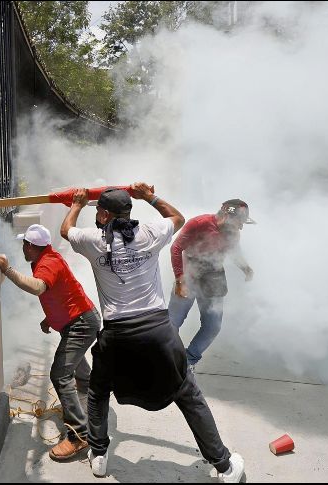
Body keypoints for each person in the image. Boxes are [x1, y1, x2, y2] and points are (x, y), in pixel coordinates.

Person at [61, 184, 244, 482]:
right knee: (188, 394)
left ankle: (99, 455)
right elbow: (177, 217)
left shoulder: (92, 240)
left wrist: (78, 204)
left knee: (97, 392)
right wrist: (149, 196)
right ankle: (224, 467)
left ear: (104, 214)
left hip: (117, 335)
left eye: (97, 211)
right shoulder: (149, 233)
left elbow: (66, 229)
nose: (96, 215)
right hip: (158, 330)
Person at [0, 224, 101, 461]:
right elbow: (59, 293)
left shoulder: (48, 262)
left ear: (31, 246)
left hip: (80, 324)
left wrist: (7, 269)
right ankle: (91, 400)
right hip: (77, 322)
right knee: (76, 366)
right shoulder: (47, 258)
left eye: (24, 244)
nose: (23, 248)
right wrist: (50, 318)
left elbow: (39, 287)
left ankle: (78, 435)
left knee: (60, 374)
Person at [168, 199, 255, 371]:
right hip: (189, 274)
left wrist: (245, 268)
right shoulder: (199, 223)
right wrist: (180, 280)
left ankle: (188, 361)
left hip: (214, 276)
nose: (241, 227)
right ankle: (168, 359)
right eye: (239, 222)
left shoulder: (233, 233)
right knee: (172, 323)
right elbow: (176, 248)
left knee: (213, 325)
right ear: (226, 215)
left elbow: (234, 251)